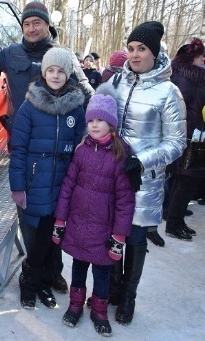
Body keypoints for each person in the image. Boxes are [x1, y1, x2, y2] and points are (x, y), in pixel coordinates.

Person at [0, 0, 94, 294]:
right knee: (29, 215)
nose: (31, 28)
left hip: (57, 151)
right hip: (25, 148)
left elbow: (87, 94)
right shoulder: (11, 53)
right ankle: (36, 269)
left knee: (56, 214)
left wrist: (92, 134)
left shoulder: (61, 56)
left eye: (36, 23)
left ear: (47, 26)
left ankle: (53, 272)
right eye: (27, 24)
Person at [107, 21, 186, 325]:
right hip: (113, 176)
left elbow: (177, 142)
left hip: (144, 180)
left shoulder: (169, 92)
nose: (135, 54)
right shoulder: (118, 83)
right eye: (131, 48)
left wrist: (141, 161)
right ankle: (112, 290)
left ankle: (128, 298)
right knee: (113, 234)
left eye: (142, 49)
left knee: (136, 239)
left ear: (154, 53)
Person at [53, 87, 135, 336]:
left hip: (104, 229)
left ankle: (99, 309)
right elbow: (67, 187)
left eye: (100, 120)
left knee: (102, 272)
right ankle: (76, 304)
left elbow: (125, 200)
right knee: (78, 267)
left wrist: (119, 236)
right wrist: (60, 220)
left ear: (111, 124)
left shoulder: (121, 155)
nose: (94, 125)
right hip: (78, 225)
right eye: (90, 120)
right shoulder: (81, 151)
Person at [9, 47, 86, 309]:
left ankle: (46, 278)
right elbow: (17, 148)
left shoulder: (75, 108)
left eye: (61, 71)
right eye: (51, 70)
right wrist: (18, 186)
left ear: (68, 74)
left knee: (55, 235)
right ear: (43, 73)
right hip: (35, 181)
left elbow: (80, 149)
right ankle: (30, 281)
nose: (55, 75)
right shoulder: (29, 107)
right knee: (38, 237)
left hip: (62, 183)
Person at [164, 37, 205, 240]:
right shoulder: (191, 78)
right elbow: (185, 108)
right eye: (200, 57)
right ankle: (173, 223)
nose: (203, 61)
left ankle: (176, 220)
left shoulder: (184, 75)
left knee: (182, 180)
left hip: (191, 135)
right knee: (186, 181)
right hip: (190, 136)